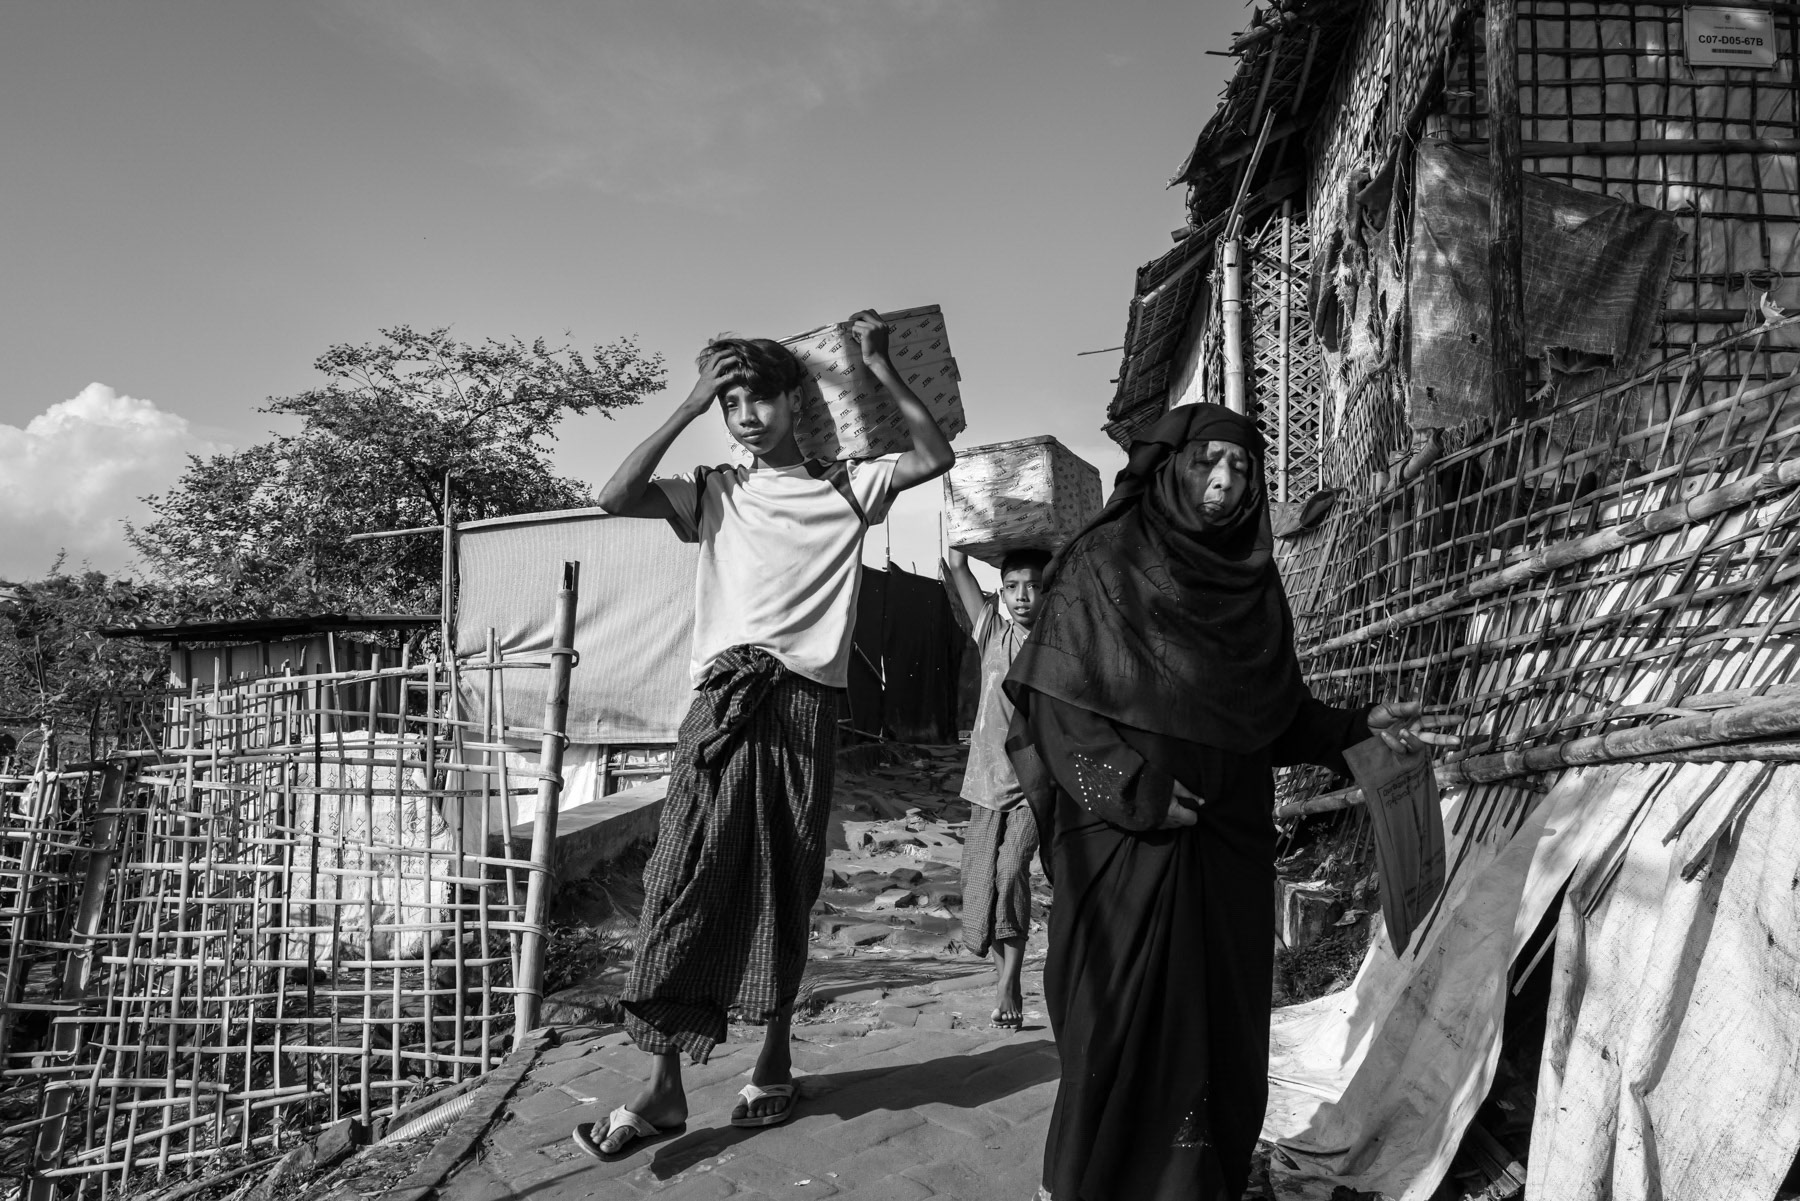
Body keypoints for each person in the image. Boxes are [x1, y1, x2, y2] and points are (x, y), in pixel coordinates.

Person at [1003, 404, 1457, 1201]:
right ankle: (1083, 1183)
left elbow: (1271, 714)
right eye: (1208, 462)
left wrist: (1355, 726)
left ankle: (1189, 1182)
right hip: (1125, 854)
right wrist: (1134, 791)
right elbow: (1056, 708)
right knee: (1115, 1027)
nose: (1223, 481)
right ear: (1171, 466)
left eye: (1242, 469)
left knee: (1214, 1033)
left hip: (1226, 846)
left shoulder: (1250, 585)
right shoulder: (1101, 565)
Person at [577, 311, 954, 1158]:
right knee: (682, 877)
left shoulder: (846, 485)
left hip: (802, 708)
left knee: (786, 878)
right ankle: (665, 1083)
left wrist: (881, 367)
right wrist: (686, 403)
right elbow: (612, 495)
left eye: (760, 397)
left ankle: (774, 1054)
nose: (746, 413)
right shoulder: (714, 492)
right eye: (731, 400)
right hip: (718, 706)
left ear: (794, 402)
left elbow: (935, 457)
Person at [943, 544, 1050, 1029]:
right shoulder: (992, 635)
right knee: (980, 883)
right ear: (1001, 593)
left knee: (1011, 872)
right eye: (1012, 587)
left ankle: (1010, 983)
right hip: (986, 783)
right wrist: (963, 534)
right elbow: (960, 567)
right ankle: (1002, 973)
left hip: (1033, 786)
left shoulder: (1055, 646)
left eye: (1033, 585)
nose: (1023, 596)